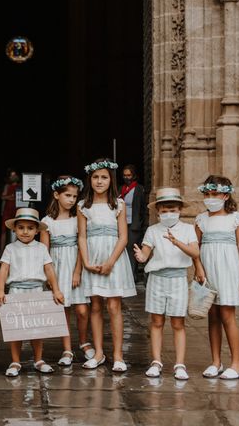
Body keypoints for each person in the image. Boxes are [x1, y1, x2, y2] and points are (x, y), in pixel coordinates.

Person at [132, 188, 202, 380]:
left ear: (179, 209)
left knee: (178, 322)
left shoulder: (188, 229)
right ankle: (156, 361)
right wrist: (140, 256)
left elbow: (195, 253)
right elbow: (146, 254)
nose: (168, 213)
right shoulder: (153, 230)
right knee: (156, 321)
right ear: (158, 212)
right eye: (164, 210)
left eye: (172, 209)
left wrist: (177, 242)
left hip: (178, 278)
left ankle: (180, 364)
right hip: (157, 279)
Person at [77, 158, 136, 372]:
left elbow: (123, 237)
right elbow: (82, 237)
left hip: (113, 259)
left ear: (110, 180)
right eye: (95, 177)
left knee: (113, 306)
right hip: (92, 259)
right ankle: (99, 353)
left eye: (104, 177)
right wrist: (86, 261)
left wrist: (111, 261)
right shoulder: (83, 206)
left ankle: (118, 355)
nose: (99, 181)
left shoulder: (117, 204)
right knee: (95, 306)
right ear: (89, 179)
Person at [0, 207, 65, 377]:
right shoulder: (10, 248)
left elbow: (49, 269)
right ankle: (15, 361)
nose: (25, 232)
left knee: (37, 328)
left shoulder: (41, 248)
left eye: (30, 228)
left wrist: (56, 289)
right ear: (15, 229)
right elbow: (4, 269)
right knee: (16, 329)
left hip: (36, 290)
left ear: (36, 230)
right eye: (21, 228)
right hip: (16, 291)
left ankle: (39, 359)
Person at [195, 175, 239, 380]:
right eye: (207, 194)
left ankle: (237, 364)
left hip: (228, 272)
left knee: (228, 316)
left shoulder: (236, 218)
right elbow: (197, 248)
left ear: (226, 195)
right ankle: (216, 362)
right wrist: (198, 269)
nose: (211, 198)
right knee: (212, 316)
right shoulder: (201, 220)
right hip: (208, 272)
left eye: (215, 194)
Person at [40, 175, 94, 366]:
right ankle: (67, 349)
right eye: (68, 195)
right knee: (63, 309)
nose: (71, 200)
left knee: (81, 309)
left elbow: (82, 245)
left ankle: (83, 341)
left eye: (74, 196)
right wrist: (49, 276)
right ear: (56, 195)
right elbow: (44, 252)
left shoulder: (78, 217)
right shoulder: (47, 221)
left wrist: (78, 271)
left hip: (75, 266)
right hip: (57, 267)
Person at [120, 164, 146, 283]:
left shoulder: (139, 189)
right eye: (125, 175)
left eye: (129, 175)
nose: (127, 177)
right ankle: (123, 275)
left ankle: (131, 275)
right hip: (121, 223)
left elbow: (142, 208)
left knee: (131, 249)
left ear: (134, 176)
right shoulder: (121, 189)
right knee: (121, 249)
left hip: (133, 224)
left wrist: (140, 223)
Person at [0, 168, 20, 250]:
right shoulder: (7, 186)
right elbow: (2, 197)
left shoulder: (20, 186)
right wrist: (10, 197)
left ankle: (16, 249)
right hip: (7, 210)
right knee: (4, 230)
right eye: (11, 175)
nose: (13, 177)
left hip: (17, 209)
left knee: (16, 228)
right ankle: (1, 250)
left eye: (14, 175)